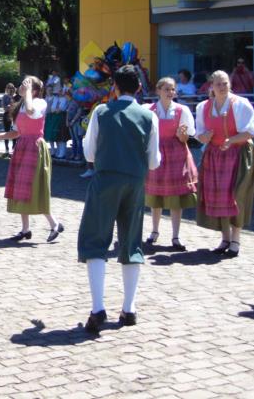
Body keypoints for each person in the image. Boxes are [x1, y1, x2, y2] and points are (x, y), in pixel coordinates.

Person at [77, 65, 161, 334]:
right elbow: (154, 161)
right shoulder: (150, 117)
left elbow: (89, 153)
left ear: (114, 86)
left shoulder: (101, 112)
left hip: (105, 179)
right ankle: (130, 307)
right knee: (131, 242)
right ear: (139, 88)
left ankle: (98, 307)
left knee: (95, 241)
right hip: (135, 181)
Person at [0, 76, 64, 243]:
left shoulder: (39, 103)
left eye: (25, 85)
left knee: (35, 187)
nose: (21, 87)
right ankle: (25, 229)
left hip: (35, 147)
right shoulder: (21, 104)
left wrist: (29, 92)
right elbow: (16, 132)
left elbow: (31, 112)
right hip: (22, 146)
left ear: (34, 90)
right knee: (21, 187)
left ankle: (54, 223)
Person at [195, 70, 254, 257]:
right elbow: (199, 133)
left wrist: (230, 140)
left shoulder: (240, 104)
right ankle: (225, 238)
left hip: (239, 153)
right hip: (215, 155)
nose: (222, 87)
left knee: (236, 195)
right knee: (219, 195)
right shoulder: (203, 107)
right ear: (211, 87)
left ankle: (236, 239)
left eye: (225, 83)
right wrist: (204, 137)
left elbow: (251, 132)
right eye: (218, 84)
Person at [143, 77, 198, 252]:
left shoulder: (182, 111)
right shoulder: (149, 110)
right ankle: (154, 231)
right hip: (157, 153)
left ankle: (176, 235)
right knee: (155, 195)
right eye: (166, 89)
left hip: (176, 154)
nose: (170, 92)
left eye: (172, 89)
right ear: (158, 90)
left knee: (176, 197)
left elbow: (186, 137)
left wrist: (182, 135)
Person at [65, 90, 85, 161]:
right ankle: (73, 154)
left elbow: (79, 112)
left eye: (67, 95)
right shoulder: (69, 102)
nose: (66, 97)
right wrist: (67, 121)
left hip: (76, 123)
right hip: (70, 122)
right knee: (73, 139)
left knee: (78, 139)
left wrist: (73, 121)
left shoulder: (77, 102)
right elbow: (67, 112)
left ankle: (79, 155)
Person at [1, 83, 18, 156]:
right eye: (9, 88)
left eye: (12, 88)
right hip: (7, 115)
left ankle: (14, 148)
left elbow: (18, 107)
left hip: (15, 116)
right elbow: (4, 108)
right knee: (7, 132)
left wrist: (11, 107)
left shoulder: (17, 97)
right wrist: (10, 107)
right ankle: (6, 149)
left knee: (14, 132)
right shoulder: (5, 97)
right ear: (6, 89)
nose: (10, 89)